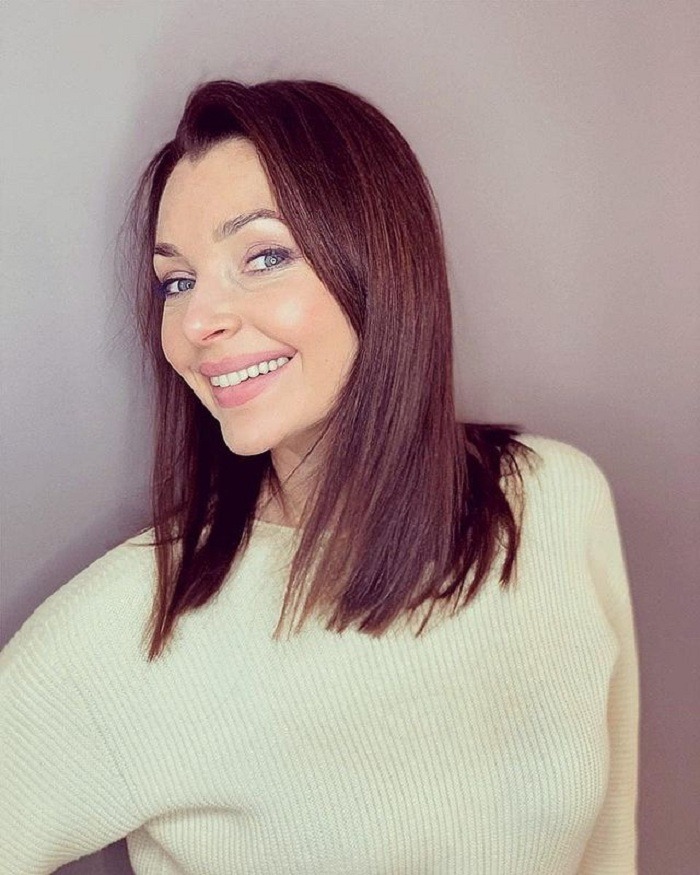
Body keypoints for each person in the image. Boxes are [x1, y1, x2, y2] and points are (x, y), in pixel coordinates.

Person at [0, 79, 639, 874]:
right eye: (177, 281)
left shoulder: (553, 500)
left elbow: (609, 848)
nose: (197, 321)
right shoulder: (132, 622)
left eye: (263, 256)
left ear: (382, 266)